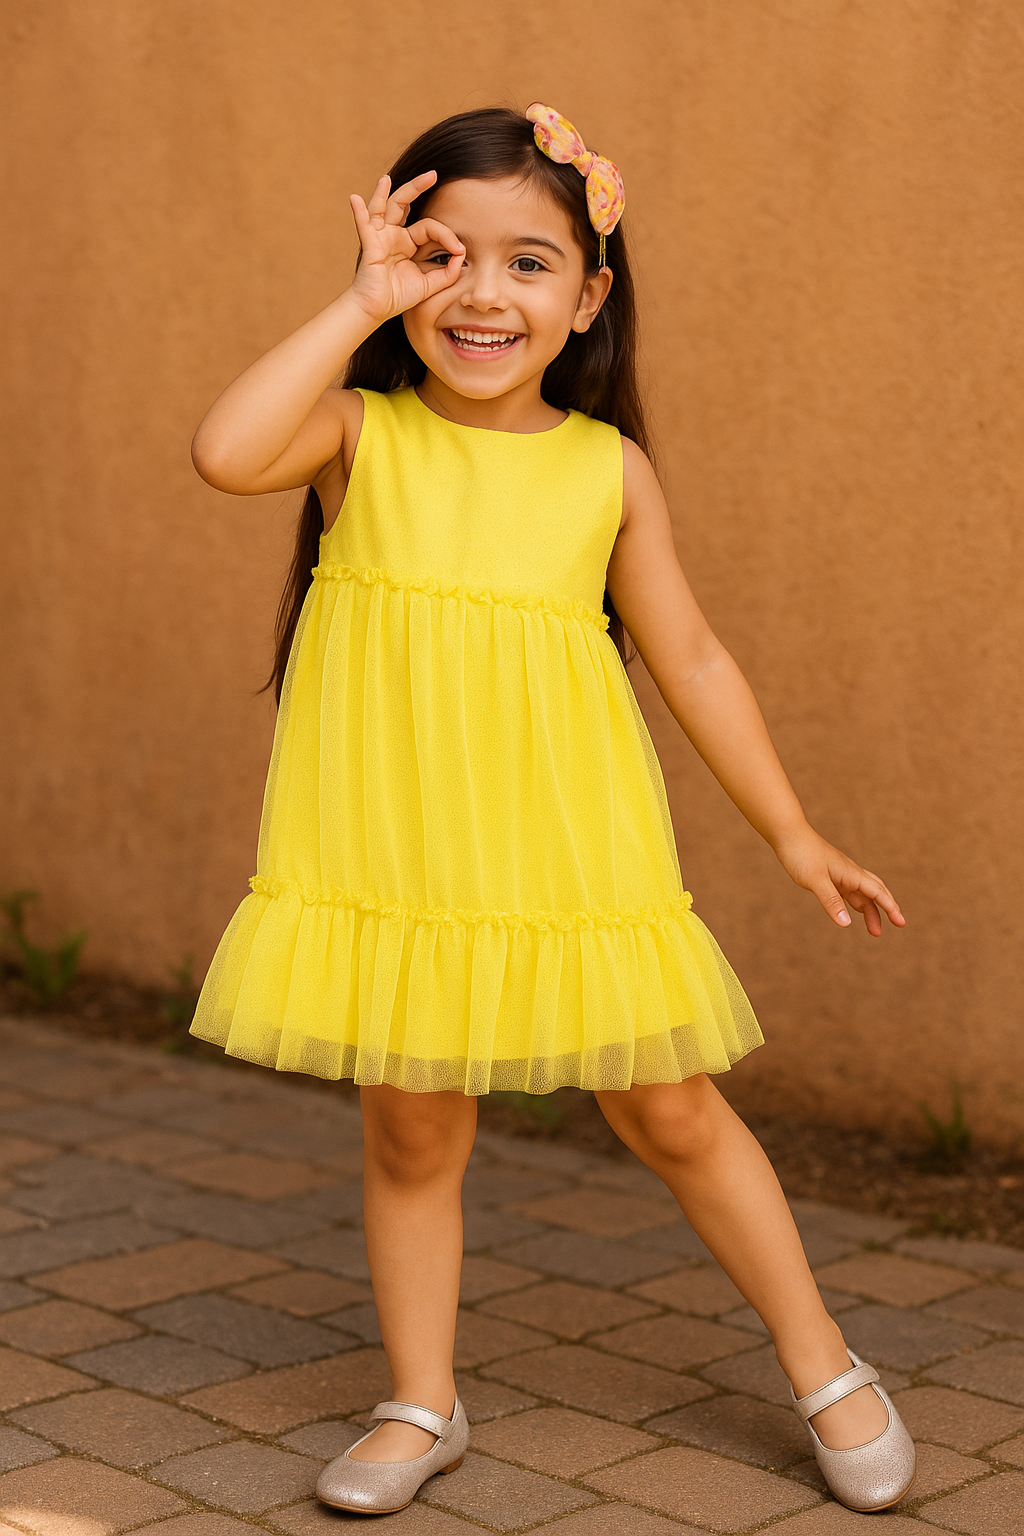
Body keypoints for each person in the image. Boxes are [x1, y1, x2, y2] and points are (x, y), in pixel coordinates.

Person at [188, 102, 915, 1516]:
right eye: (444, 255)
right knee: (413, 1129)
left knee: (673, 1109)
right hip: (399, 852)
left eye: (530, 264)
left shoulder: (604, 468)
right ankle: (422, 1401)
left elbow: (691, 657)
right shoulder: (357, 433)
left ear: (589, 299)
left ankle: (825, 1362)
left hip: (571, 848)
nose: (481, 294)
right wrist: (357, 304)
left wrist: (793, 831)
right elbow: (224, 450)